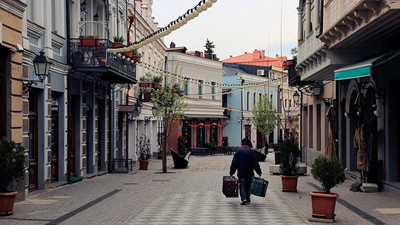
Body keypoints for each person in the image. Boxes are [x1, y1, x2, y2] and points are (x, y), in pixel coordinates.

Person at [229, 138, 262, 205]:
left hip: (241, 172)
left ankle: (244, 198)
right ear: (248, 144)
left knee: (242, 185)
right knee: (249, 185)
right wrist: (259, 171)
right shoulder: (251, 151)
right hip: (249, 172)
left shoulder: (238, 151)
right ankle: (248, 198)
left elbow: (234, 163)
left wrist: (232, 172)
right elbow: (255, 163)